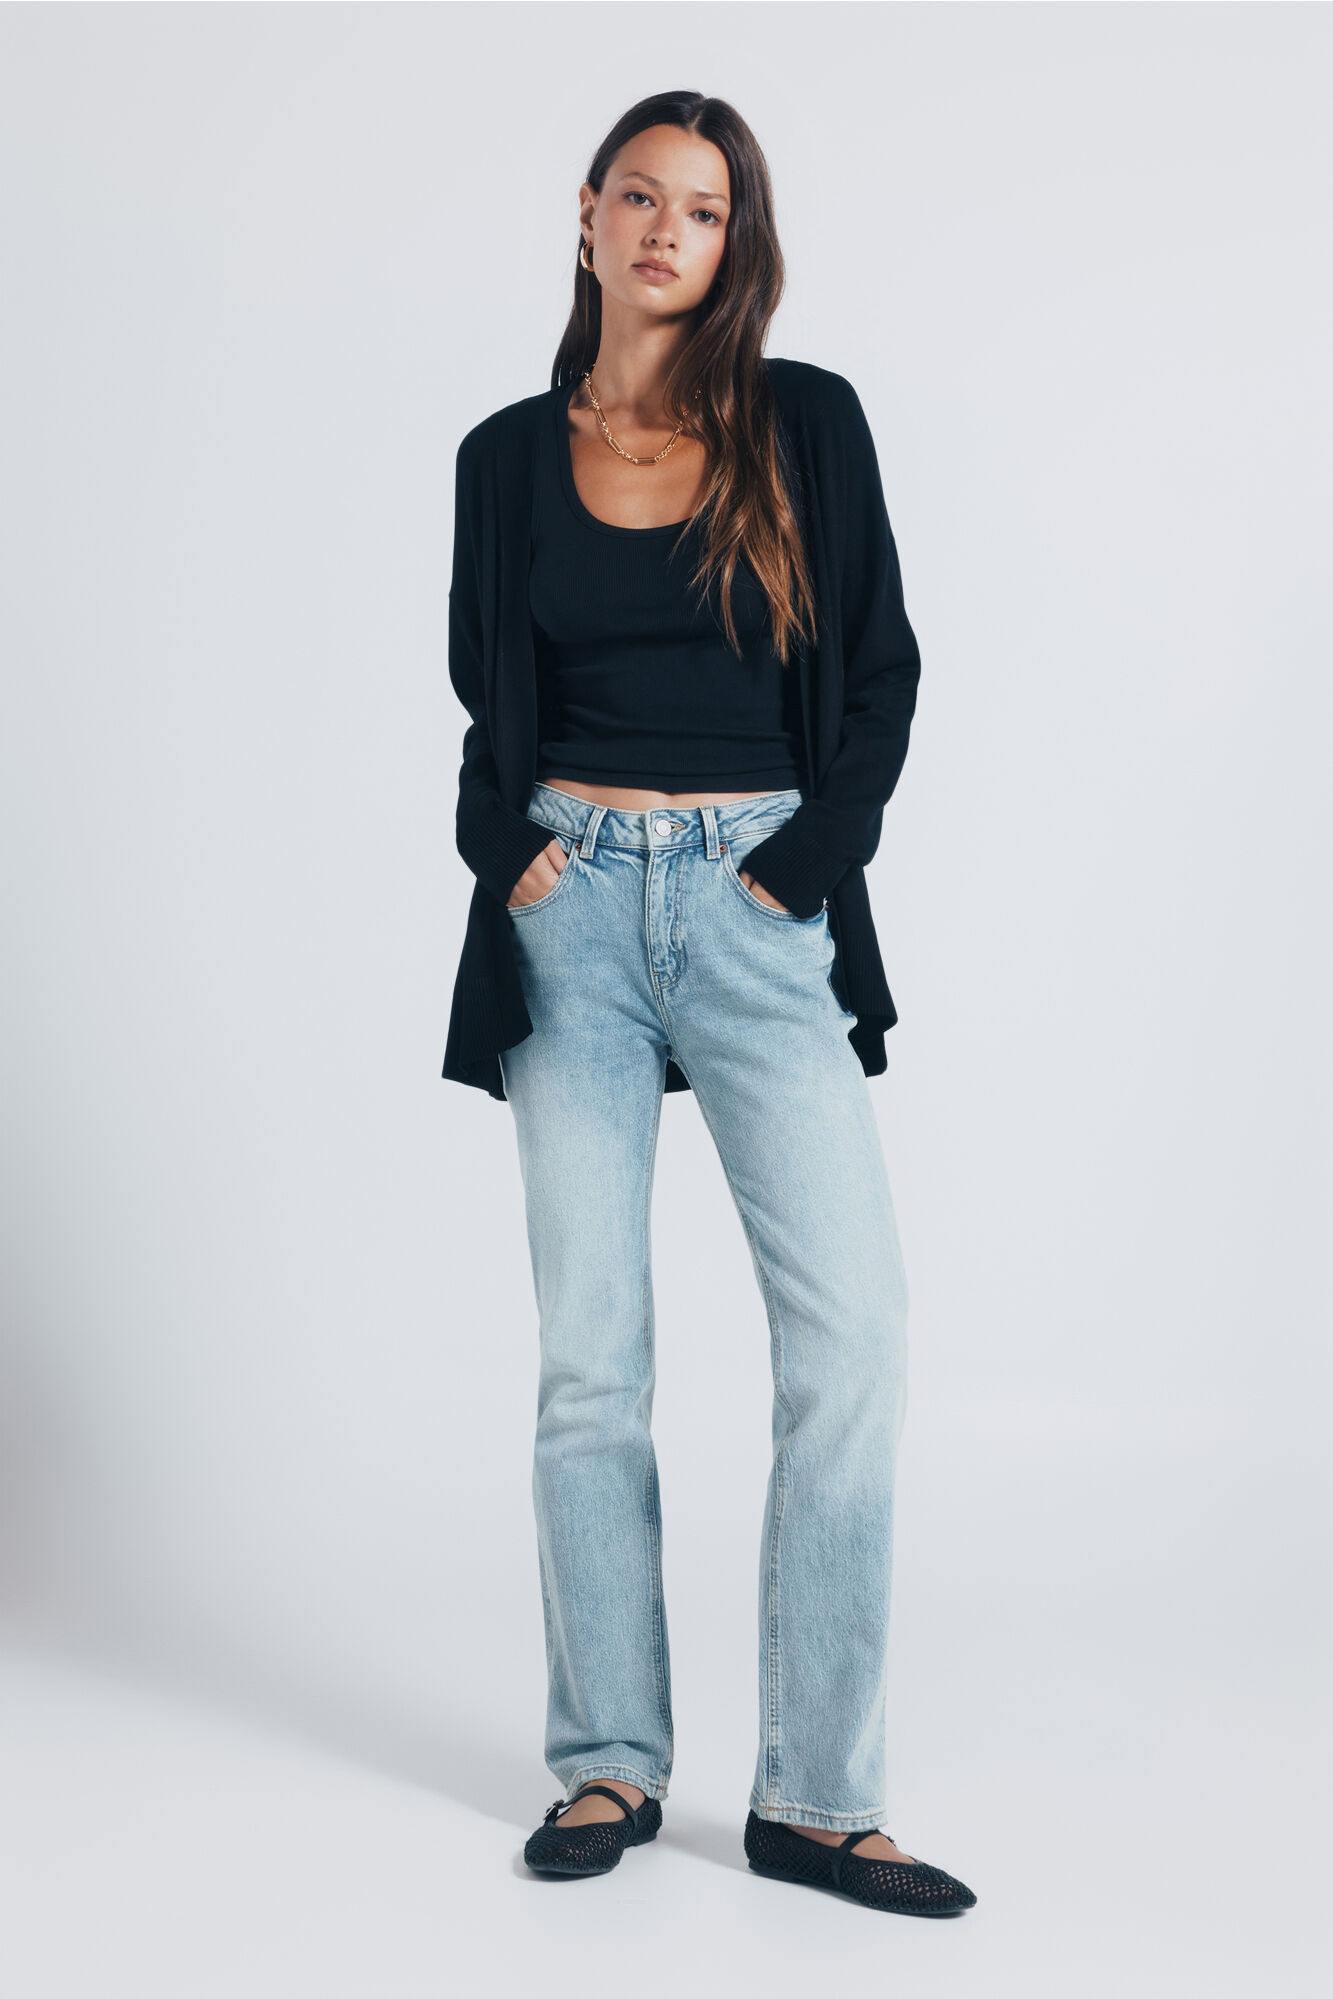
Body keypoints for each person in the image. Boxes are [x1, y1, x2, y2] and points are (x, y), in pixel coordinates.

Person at [443, 91, 976, 1919]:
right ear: (586, 216)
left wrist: (802, 864)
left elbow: (880, 671)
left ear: (736, 241)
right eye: (642, 196)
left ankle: (813, 1802)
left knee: (852, 1344)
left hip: (757, 902)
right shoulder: (503, 457)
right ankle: (608, 1761)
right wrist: (502, 849)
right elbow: (483, 702)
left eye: (708, 206)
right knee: (591, 1360)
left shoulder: (803, 422)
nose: (671, 228)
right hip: (570, 907)